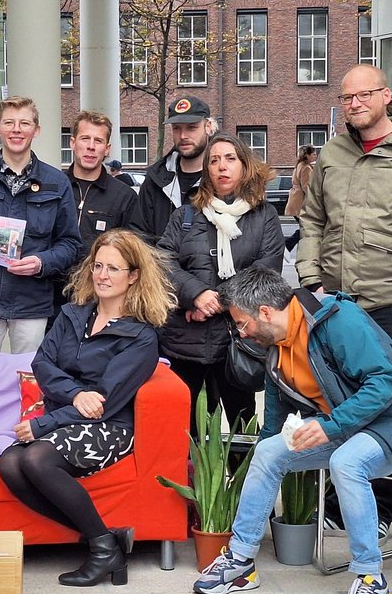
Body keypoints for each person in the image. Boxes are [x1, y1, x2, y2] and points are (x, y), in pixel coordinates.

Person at [193, 267, 392, 594]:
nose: (242, 332)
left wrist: (331, 426)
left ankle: (372, 582)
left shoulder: (338, 320)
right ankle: (240, 562)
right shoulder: (276, 342)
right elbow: (277, 408)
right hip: (345, 424)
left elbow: (384, 381)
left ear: (264, 311)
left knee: (346, 462)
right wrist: (272, 445)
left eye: (243, 323)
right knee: (267, 453)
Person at [295, 64, 392, 543]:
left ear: (385, 96)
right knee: (337, 394)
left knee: (386, 403)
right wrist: (311, 278)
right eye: (347, 97)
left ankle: (381, 507)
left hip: (389, 299)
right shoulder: (331, 155)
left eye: (364, 95)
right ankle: (338, 498)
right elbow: (312, 219)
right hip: (335, 301)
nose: (354, 104)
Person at [0, 229, 175, 587]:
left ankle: (101, 550)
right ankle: (107, 539)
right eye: (98, 266)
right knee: (9, 465)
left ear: (134, 276)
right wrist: (78, 394)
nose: (102, 275)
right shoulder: (72, 315)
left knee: (34, 459)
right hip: (68, 417)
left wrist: (45, 424)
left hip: (112, 427)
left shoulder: (141, 337)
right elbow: (43, 364)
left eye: (113, 268)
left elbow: (105, 404)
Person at [157, 134, 284, 425]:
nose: (221, 167)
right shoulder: (185, 215)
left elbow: (266, 271)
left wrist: (215, 301)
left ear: (244, 166)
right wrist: (195, 294)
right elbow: (161, 262)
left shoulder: (263, 217)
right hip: (185, 346)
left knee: (243, 431)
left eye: (230, 159)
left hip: (239, 343)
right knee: (189, 435)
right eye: (214, 160)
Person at [0, 96, 80, 354]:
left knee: (28, 379)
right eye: (9, 123)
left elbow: (70, 243)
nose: (16, 129)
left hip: (32, 300)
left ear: (36, 130)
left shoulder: (56, 181)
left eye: (25, 123)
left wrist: (42, 262)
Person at [53, 112, 138, 319]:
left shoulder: (124, 196)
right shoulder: (53, 188)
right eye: (85, 139)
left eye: (98, 141)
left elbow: (132, 252)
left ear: (107, 149)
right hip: (49, 299)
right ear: (73, 143)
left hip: (100, 302)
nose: (91, 146)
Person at [130, 94, 214, 243]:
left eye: (191, 128)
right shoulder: (155, 179)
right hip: (160, 265)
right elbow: (139, 235)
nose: (183, 136)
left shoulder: (221, 177)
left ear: (208, 127)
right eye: (176, 128)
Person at [283, 145, 316, 252]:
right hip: (300, 202)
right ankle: (286, 246)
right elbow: (306, 186)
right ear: (307, 155)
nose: (315, 156)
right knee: (306, 228)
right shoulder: (306, 167)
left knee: (305, 228)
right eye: (313, 154)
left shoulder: (299, 165)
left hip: (296, 201)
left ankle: (289, 247)